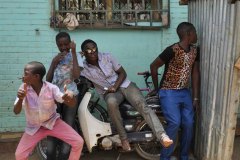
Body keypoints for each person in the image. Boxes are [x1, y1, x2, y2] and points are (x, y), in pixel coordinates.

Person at [79, 39, 173, 152]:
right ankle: (124, 139)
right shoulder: (83, 68)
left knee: (142, 104)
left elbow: (122, 73)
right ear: (84, 53)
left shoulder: (107, 57)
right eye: (88, 50)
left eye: (94, 48)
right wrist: (76, 55)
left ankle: (162, 135)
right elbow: (75, 73)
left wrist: (115, 86)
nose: (93, 52)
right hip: (110, 93)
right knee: (111, 102)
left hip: (125, 85)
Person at [150, 22, 200, 160]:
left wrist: (195, 98)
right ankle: (165, 157)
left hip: (185, 93)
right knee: (175, 123)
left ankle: (184, 156)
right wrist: (157, 88)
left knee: (189, 124)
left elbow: (195, 73)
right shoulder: (171, 50)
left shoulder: (195, 50)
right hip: (168, 92)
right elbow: (153, 66)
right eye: (195, 32)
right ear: (189, 34)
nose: (197, 35)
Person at [14, 61, 84, 160]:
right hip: (34, 127)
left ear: (36, 76)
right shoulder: (23, 89)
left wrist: (70, 97)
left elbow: (70, 103)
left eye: (26, 74)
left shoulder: (51, 88)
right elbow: (16, 111)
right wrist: (20, 98)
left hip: (53, 123)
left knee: (78, 141)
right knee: (19, 155)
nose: (23, 76)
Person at [46, 32, 84, 159]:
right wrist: (53, 62)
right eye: (60, 45)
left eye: (66, 44)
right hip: (55, 96)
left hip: (70, 95)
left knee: (68, 126)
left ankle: (63, 156)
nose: (63, 47)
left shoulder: (77, 56)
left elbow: (77, 76)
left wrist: (73, 52)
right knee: (54, 125)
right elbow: (48, 80)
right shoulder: (56, 58)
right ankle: (52, 154)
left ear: (70, 43)